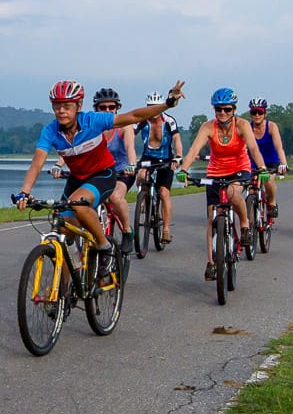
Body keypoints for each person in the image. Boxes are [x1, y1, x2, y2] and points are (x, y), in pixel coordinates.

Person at [14, 80, 186, 283]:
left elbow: (134, 116)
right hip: (77, 179)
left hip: (102, 175)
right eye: (56, 106)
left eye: (67, 106)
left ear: (78, 106)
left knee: (79, 204)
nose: (61, 111)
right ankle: (64, 294)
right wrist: (24, 192)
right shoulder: (51, 131)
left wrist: (167, 103)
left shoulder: (93, 121)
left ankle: (104, 246)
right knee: (63, 232)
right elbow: (37, 163)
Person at [176, 88, 269, 281]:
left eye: (227, 109)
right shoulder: (208, 127)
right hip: (215, 171)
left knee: (234, 193)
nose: (223, 113)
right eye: (219, 109)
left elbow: (253, 148)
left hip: (239, 168)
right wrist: (184, 170)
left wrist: (262, 167)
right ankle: (211, 262)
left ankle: (244, 225)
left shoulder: (242, 125)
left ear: (234, 109)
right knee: (212, 217)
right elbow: (194, 149)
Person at [134, 91, 183, 245]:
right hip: (148, 156)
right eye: (150, 107)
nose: (153, 110)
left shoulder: (169, 121)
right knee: (141, 175)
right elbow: (130, 135)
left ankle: (166, 230)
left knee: (164, 192)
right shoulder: (142, 120)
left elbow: (176, 139)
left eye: (156, 106)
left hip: (166, 158)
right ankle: (144, 196)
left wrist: (179, 156)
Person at [91, 88, 136, 242]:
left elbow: (130, 147)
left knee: (116, 198)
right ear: (96, 109)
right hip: (101, 172)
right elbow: (74, 147)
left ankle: (127, 231)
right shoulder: (92, 127)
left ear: (117, 108)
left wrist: (132, 164)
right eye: (103, 108)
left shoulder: (124, 126)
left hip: (122, 172)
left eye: (112, 107)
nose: (107, 111)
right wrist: (59, 165)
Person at [246, 98, 287, 220]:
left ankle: (272, 202)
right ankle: (251, 223)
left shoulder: (271, 126)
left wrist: (284, 163)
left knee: (268, 179)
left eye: (260, 112)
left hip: (270, 161)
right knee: (250, 189)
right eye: (254, 112)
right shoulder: (247, 128)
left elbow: (279, 147)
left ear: (265, 113)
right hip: (252, 162)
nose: (257, 115)